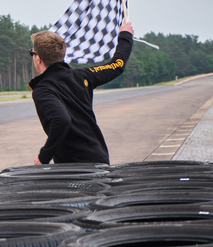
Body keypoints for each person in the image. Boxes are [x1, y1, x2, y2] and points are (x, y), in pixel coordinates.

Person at [29, 21, 134, 165]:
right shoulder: (82, 76)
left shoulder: (42, 89)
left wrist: (43, 157)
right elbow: (116, 66)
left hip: (74, 168)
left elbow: (62, 120)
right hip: (99, 157)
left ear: (38, 58)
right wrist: (125, 36)